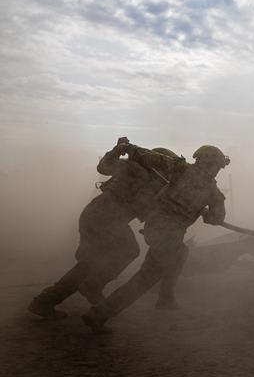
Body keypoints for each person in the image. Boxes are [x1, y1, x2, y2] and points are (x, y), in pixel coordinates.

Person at [81, 144, 229, 332]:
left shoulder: (179, 167)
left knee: (181, 253)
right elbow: (217, 219)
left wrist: (128, 147)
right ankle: (99, 314)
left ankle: (166, 298)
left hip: (154, 226)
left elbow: (148, 156)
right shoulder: (213, 193)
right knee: (146, 277)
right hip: (170, 234)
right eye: (217, 167)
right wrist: (206, 211)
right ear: (215, 166)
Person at [27, 140, 179, 319]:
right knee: (128, 251)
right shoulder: (142, 174)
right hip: (108, 218)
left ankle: (44, 302)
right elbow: (105, 168)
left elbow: (105, 168)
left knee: (89, 264)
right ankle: (93, 286)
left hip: (95, 214)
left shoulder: (136, 172)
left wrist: (117, 150)